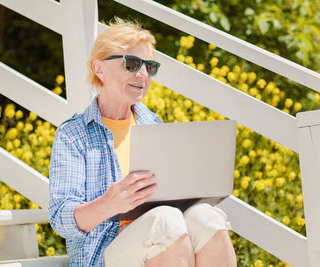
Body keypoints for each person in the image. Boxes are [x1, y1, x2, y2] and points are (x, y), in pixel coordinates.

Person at [49, 18, 237, 267]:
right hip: (102, 256)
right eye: (132, 63)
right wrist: (109, 203)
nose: (142, 74)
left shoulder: (155, 126)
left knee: (207, 217)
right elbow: (61, 219)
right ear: (99, 69)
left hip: (164, 241)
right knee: (165, 220)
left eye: (149, 66)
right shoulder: (73, 135)